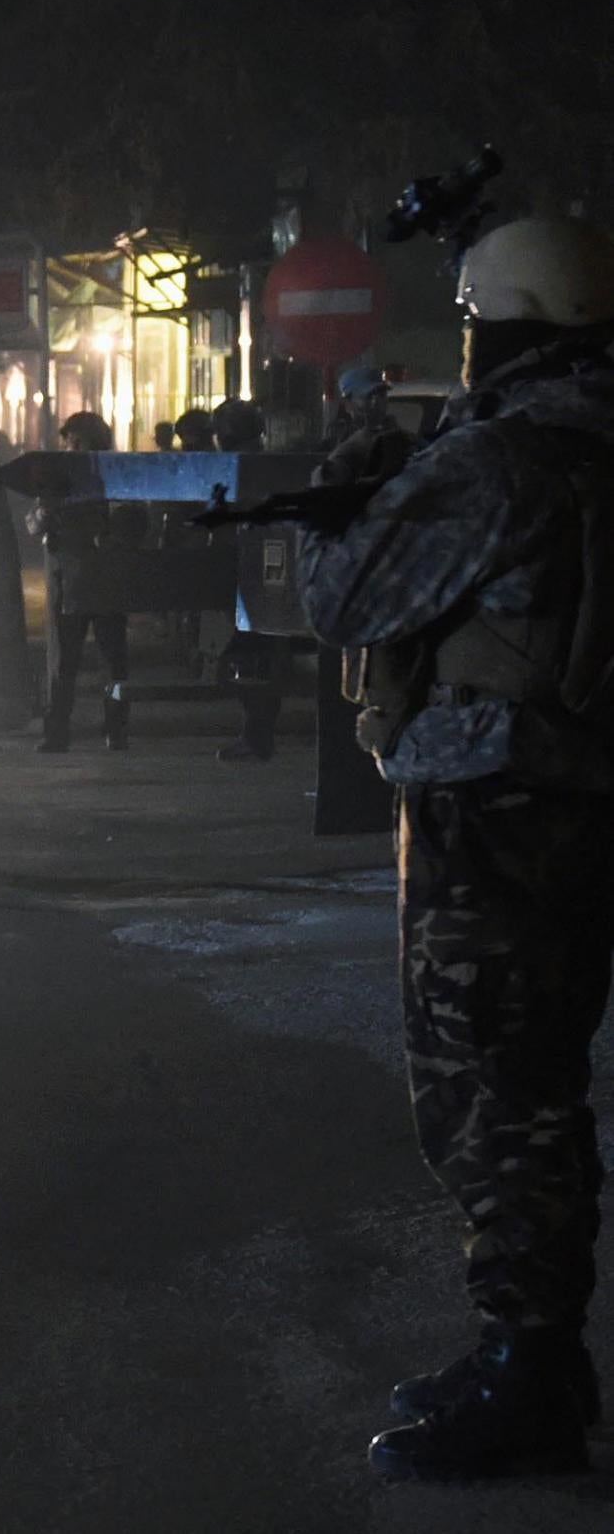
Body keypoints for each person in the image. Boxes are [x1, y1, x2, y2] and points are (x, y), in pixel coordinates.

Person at [296, 215, 614, 1482]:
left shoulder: (498, 460)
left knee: (491, 1094)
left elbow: (347, 598)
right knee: (538, 1075)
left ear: (504, 325)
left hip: (492, 802)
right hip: (576, 793)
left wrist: (353, 486)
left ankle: (527, 1369)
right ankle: (537, 1354)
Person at [32, 411, 130, 752]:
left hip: (98, 578)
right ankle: (62, 730)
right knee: (69, 663)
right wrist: (45, 514)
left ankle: (112, 727)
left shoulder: (111, 475)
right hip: (76, 580)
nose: (69, 447)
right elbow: (36, 522)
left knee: (109, 663)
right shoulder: (63, 478)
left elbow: (128, 521)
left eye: (75, 441)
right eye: (68, 442)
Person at [210, 394, 284, 761]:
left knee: (249, 656)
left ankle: (258, 736)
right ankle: (258, 734)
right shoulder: (266, 460)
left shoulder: (244, 466)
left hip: (257, 574)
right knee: (255, 654)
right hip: (265, 571)